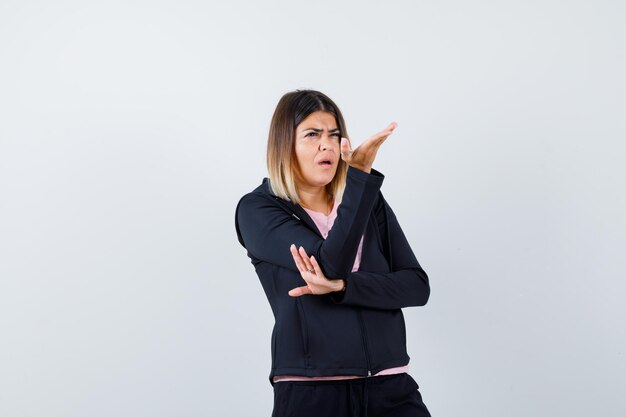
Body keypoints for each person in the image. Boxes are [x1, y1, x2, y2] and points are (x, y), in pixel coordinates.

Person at [235, 90, 432, 417]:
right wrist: (359, 180)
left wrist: (344, 288)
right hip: (312, 392)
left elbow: (416, 286)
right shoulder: (258, 209)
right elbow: (329, 263)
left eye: (334, 134)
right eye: (312, 135)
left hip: (391, 387)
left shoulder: (367, 203)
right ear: (285, 145)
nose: (326, 144)